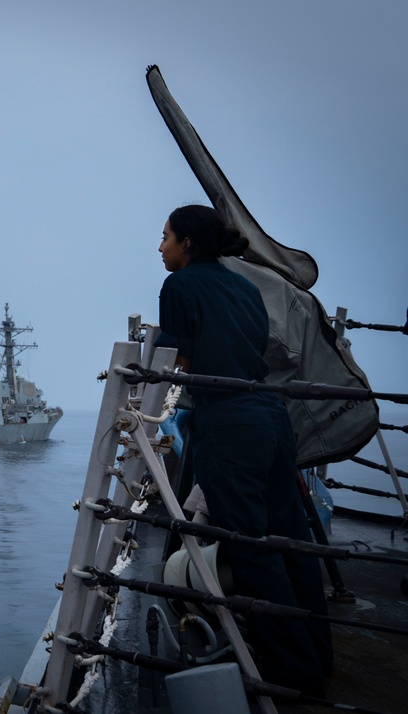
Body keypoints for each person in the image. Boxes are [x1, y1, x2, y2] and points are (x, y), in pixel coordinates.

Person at [155, 204, 332, 695]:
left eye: (166, 236)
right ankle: (319, 656)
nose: (160, 245)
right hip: (270, 416)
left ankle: (295, 673)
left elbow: (176, 362)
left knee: (250, 549)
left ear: (188, 243)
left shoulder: (180, 286)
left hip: (228, 421)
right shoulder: (246, 287)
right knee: (290, 542)